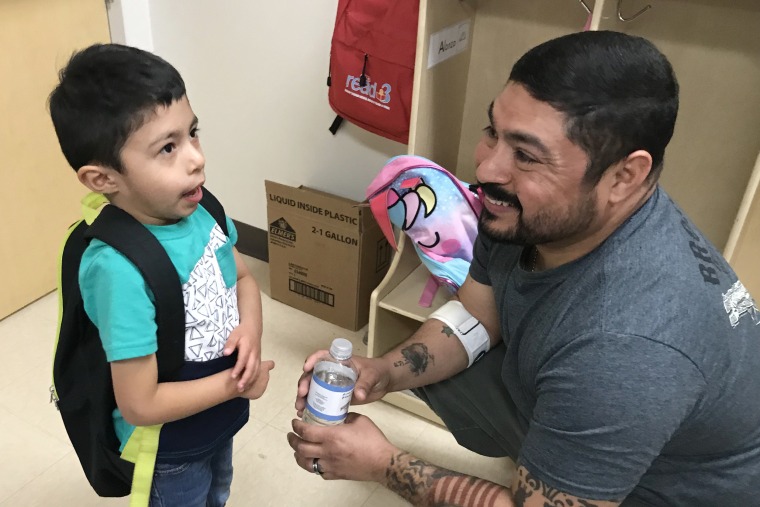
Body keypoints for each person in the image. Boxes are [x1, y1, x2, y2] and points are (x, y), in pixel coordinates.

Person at [288, 30, 760, 507]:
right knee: (454, 370)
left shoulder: (625, 347)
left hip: (673, 489)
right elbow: (476, 313)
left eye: (526, 156)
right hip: (617, 414)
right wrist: (382, 372)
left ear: (624, 175)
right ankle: (555, 455)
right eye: (492, 131)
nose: (488, 169)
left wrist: (383, 464)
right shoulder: (535, 215)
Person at [49, 44, 275, 507]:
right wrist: (236, 384)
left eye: (193, 133)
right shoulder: (118, 269)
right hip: (169, 450)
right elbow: (141, 403)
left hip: (219, 416)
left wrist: (249, 334)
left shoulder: (202, 209)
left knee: (219, 492)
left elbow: (245, 281)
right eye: (168, 148)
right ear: (102, 179)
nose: (196, 158)